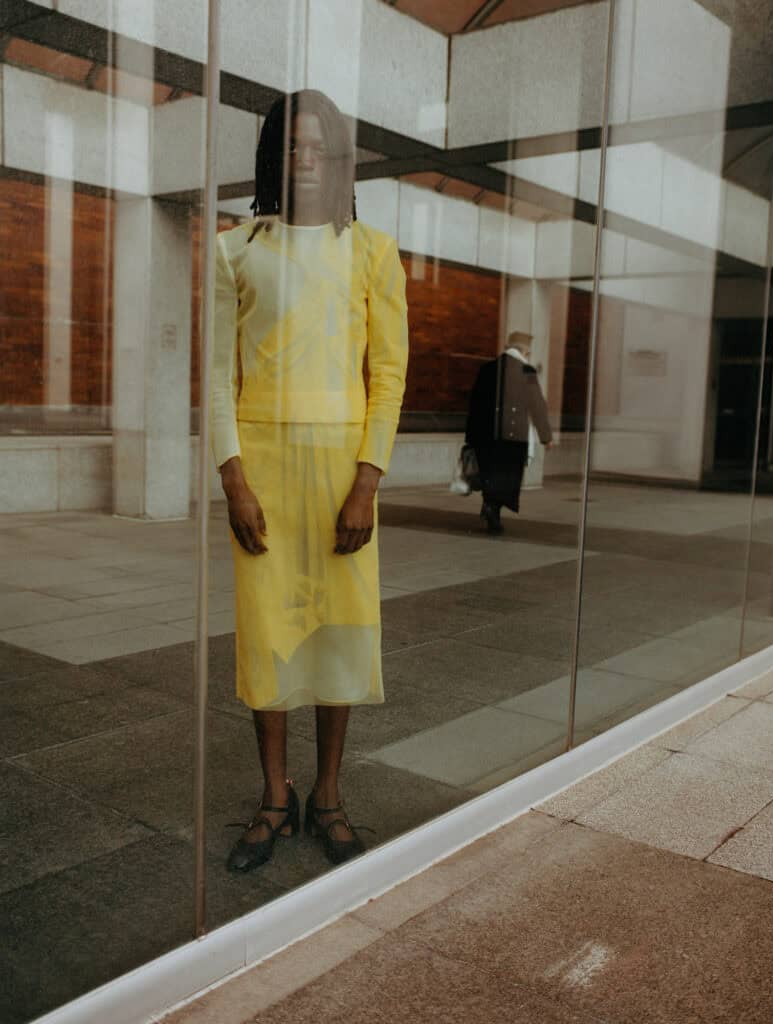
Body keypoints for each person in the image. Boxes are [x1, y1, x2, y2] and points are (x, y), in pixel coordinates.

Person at [211, 89, 409, 873]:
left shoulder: (372, 250)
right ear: (273, 154)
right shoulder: (235, 248)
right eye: (292, 144)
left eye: (319, 146)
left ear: (338, 159)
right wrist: (234, 479)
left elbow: (388, 376)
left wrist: (368, 482)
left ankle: (326, 796)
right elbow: (217, 378)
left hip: (340, 475)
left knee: (338, 633)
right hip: (261, 469)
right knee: (267, 635)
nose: (305, 156)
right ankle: (272, 795)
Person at [465, 331, 553, 534]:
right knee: (508, 477)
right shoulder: (527, 371)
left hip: (485, 436)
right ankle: (493, 510)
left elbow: (474, 404)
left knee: (490, 473)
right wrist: (545, 437)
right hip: (513, 437)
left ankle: (489, 505)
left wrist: (470, 437)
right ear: (525, 350)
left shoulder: (487, 368)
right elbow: (537, 406)